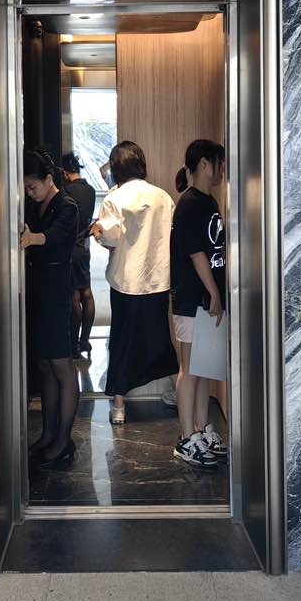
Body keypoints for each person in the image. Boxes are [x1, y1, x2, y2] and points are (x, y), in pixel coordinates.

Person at [91, 141, 178, 425]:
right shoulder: (163, 197)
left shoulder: (114, 198)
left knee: (123, 341)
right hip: (157, 279)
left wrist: (98, 233)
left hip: (126, 281)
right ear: (141, 163)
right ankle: (175, 392)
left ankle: (119, 406)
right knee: (160, 338)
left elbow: (111, 239)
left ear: (117, 168)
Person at [170, 139, 228, 469]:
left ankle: (203, 430)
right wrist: (215, 293)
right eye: (219, 164)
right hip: (193, 299)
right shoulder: (190, 204)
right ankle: (186, 437)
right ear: (204, 163)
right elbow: (197, 255)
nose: (222, 171)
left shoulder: (209, 201)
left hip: (208, 300)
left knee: (204, 368)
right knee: (190, 369)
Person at [20, 148, 80, 470]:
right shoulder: (34, 205)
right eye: (27, 189)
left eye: (33, 186)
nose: (30, 193)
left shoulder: (66, 205)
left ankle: (63, 441)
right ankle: (48, 434)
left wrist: (34, 239)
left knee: (62, 367)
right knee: (44, 365)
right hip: (39, 294)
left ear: (47, 179)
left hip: (58, 296)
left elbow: (55, 237)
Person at [61, 153, 97, 358]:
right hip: (84, 249)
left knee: (74, 296)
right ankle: (85, 340)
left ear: (64, 172)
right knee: (87, 294)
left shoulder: (66, 191)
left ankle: (74, 345)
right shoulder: (90, 191)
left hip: (70, 249)